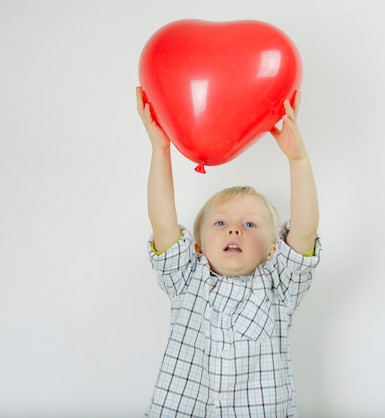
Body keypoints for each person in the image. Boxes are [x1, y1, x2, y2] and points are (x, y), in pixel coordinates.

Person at [136, 86, 321, 417]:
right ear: (198, 246)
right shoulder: (186, 279)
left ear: (271, 249)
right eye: (220, 223)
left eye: (250, 225)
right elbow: (163, 223)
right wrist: (160, 148)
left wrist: (298, 159)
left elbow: (305, 231)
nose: (234, 229)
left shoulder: (279, 286)